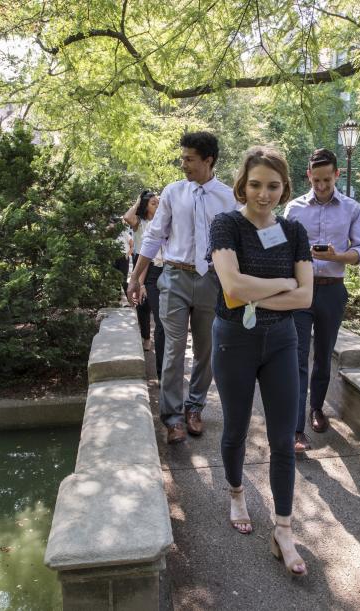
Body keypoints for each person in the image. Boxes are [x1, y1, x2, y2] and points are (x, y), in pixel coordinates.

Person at [209, 145, 313, 576]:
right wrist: (284, 280)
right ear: (242, 185)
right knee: (234, 428)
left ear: (284, 188)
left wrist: (263, 287)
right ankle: (236, 493)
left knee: (283, 438)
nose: (263, 194)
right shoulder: (226, 225)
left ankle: (283, 531)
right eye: (255, 185)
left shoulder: (294, 232)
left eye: (272, 186)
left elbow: (306, 296)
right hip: (235, 338)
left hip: (282, 341)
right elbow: (232, 289)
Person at [127, 132, 238, 444]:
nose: (183, 164)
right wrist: (136, 277)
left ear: (208, 160)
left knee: (206, 349)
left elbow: (236, 243)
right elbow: (153, 236)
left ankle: (195, 407)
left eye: (189, 158)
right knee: (174, 349)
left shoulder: (228, 197)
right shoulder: (174, 192)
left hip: (212, 280)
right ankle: (173, 418)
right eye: (183, 158)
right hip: (175, 275)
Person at [283, 148, 360, 453]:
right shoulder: (293, 209)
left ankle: (316, 408)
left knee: (323, 356)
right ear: (308, 175)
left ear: (337, 175)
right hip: (301, 289)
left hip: (333, 289)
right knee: (296, 357)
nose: (320, 186)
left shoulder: (352, 208)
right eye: (315, 180)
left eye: (326, 180)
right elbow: (283, 248)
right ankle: (295, 429)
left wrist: (336, 255)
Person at [124, 190, 164, 377]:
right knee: (143, 306)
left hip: (157, 262)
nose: (157, 205)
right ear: (146, 206)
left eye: (158, 202)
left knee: (153, 306)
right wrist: (139, 199)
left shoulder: (163, 221)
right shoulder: (140, 222)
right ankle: (146, 337)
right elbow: (127, 216)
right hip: (143, 260)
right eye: (153, 203)